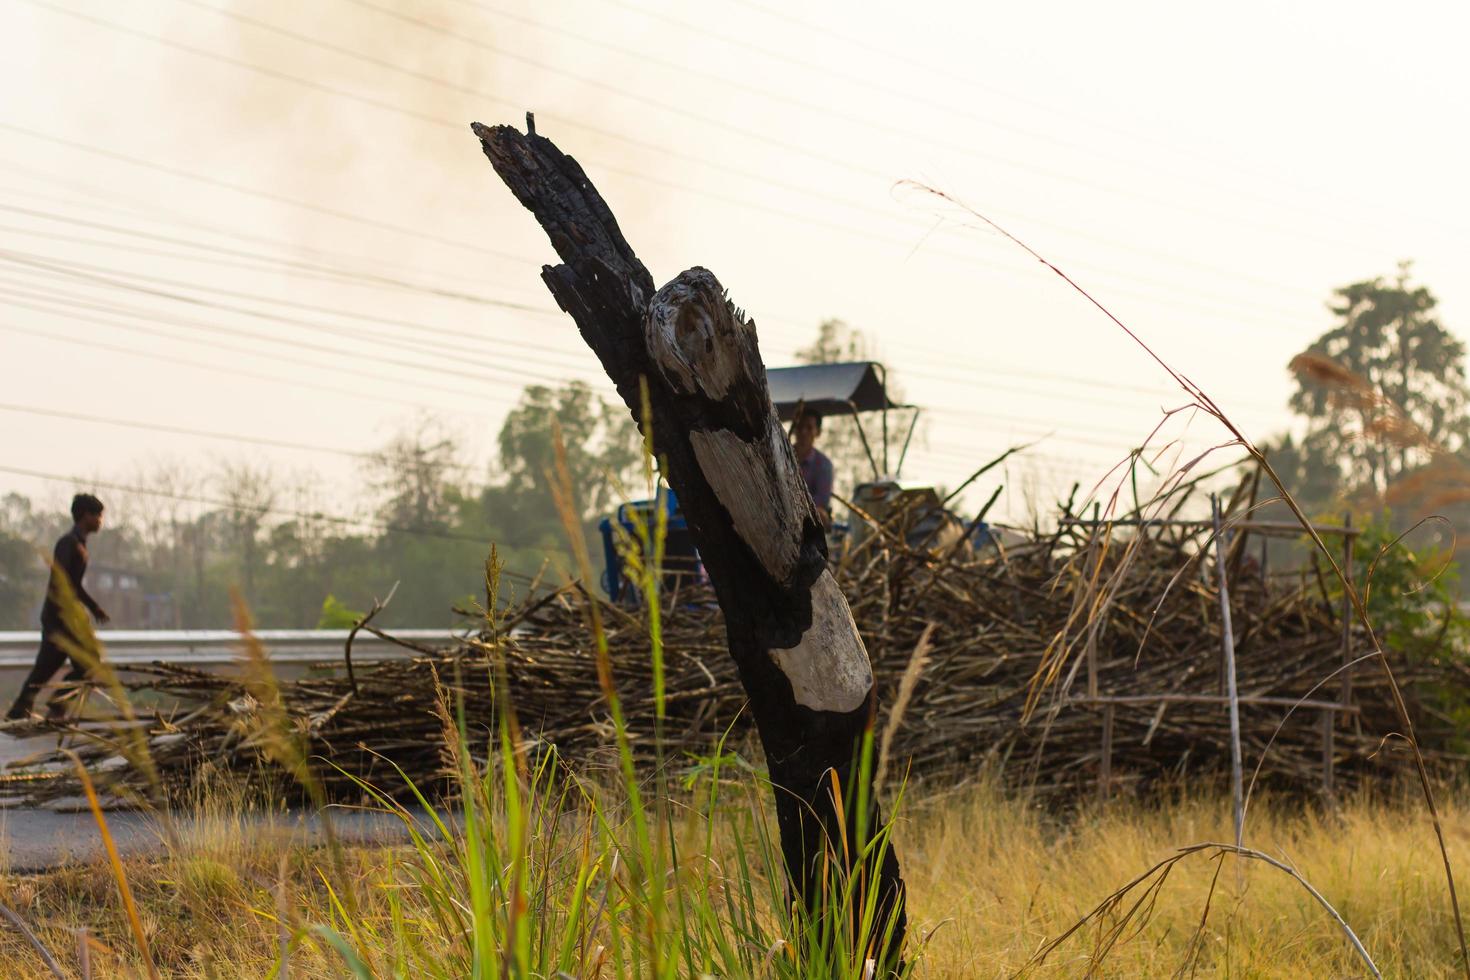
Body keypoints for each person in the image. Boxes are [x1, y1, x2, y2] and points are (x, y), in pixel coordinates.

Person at [6, 493, 110, 722]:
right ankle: (45, 707)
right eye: (98, 515)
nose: (101, 521)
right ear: (85, 516)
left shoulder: (79, 545)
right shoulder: (68, 544)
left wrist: (92, 609)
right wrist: (83, 610)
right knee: (77, 663)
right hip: (59, 618)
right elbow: (62, 581)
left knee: (64, 665)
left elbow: (73, 585)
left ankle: (34, 708)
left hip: (66, 618)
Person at [792, 409, 834, 525]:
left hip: (807, 518)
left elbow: (821, 502)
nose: (803, 431)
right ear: (794, 429)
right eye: (800, 426)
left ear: (818, 432)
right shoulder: (778, 456)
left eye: (809, 428)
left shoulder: (824, 465)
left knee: (821, 514)